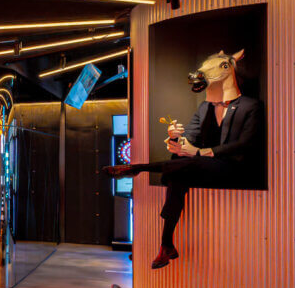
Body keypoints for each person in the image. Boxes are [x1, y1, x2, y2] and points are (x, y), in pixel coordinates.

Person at [103, 50, 264, 269]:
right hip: (205, 168)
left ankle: (139, 167)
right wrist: (175, 138)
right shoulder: (205, 107)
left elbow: (245, 144)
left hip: (233, 168)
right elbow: (190, 137)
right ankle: (166, 244)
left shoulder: (251, 106)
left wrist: (202, 152)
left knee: (189, 164)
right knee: (178, 174)